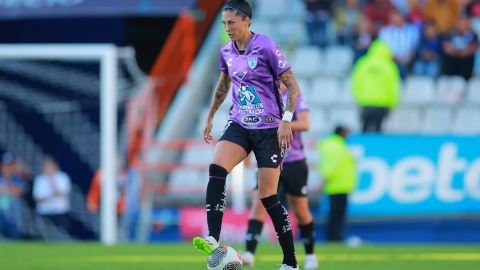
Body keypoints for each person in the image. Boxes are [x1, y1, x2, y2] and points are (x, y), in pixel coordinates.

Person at [192, 1, 302, 269]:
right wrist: (209, 117)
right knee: (217, 168)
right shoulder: (226, 52)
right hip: (240, 124)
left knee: (267, 196)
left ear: (247, 21)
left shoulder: (265, 46)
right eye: (224, 23)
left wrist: (286, 121)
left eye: (232, 22)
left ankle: (290, 261)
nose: (227, 28)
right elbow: (222, 86)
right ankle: (213, 237)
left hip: (269, 129)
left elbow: (293, 86)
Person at [242, 84, 318, 269]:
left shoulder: (295, 97)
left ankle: (310, 256)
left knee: (300, 211)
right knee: (258, 206)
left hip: (293, 162)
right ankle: (249, 253)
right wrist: (247, 153)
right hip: (268, 160)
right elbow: (253, 127)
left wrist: (280, 123)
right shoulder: (261, 97)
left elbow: (305, 124)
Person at [316, 126, 357, 242]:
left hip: (337, 186)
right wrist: (324, 180)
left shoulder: (334, 145)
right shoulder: (337, 146)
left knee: (335, 215)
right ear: (342, 132)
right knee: (337, 215)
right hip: (338, 186)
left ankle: (334, 238)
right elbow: (332, 165)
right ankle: (334, 238)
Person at [351, 39, 400, 133]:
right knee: (378, 131)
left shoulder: (363, 63)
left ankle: (364, 146)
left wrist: (358, 98)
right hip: (383, 104)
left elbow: (356, 82)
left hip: (365, 102)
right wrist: (392, 103)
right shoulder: (389, 66)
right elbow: (393, 86)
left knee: (364, 129)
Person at [33, 156, 71, 231]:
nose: (48, 168)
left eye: (50, 166)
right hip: (44, 213)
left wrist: (52, 180)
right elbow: (38, 199)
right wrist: (51, 195)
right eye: (46, 166)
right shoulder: (39, 179)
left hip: (60, 213)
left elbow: (61, 193)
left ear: (55, 166)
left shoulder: (63, 177)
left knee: (60, 237)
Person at [442, 15, 479, 80]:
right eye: (460, 22)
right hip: (453, 60)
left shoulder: (473, 35)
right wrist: (459, 52)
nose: (462, 25)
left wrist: (459, 51)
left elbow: (473, 49)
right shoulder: (451, 33)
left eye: (464, 22)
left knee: (468, 59)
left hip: (466, 61)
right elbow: (447, 48)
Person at [0, 153, 27, 239]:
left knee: (15, 242)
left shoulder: (18, 179)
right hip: (1, 216)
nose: (8, 168)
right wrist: (10, 190)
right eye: (6, 165)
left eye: (11, 165)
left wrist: (3, 190)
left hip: (14, 219)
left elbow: (18, 191)